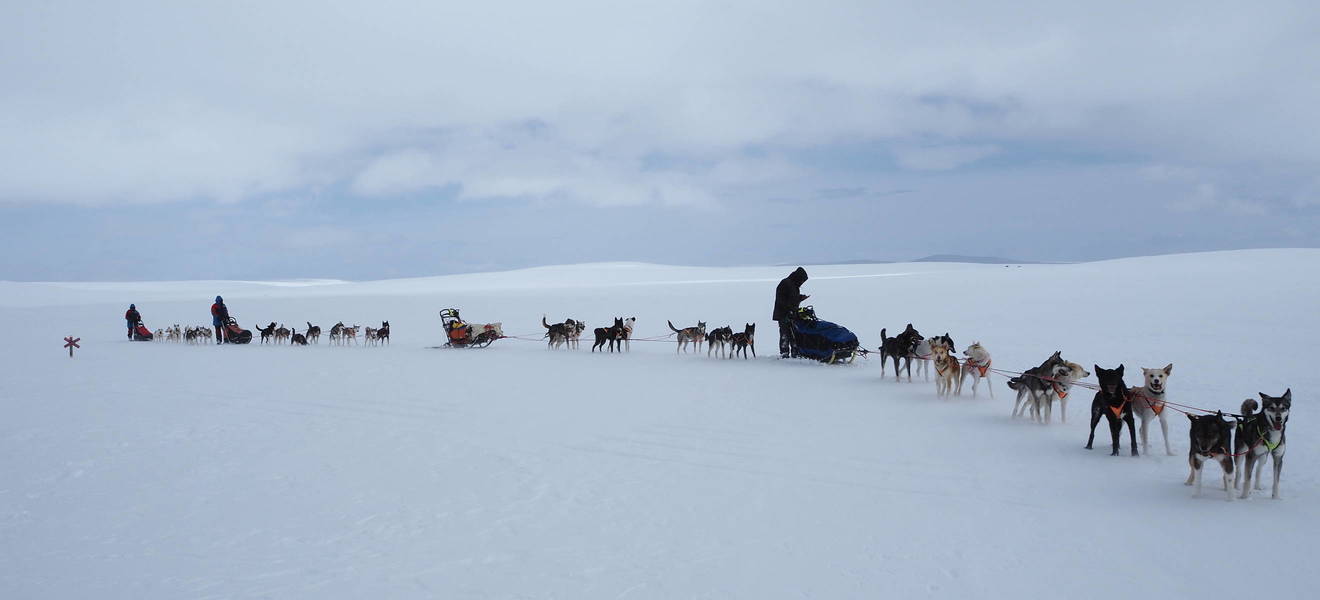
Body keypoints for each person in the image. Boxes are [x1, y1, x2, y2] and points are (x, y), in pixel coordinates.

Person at [772, 267, 809, 358]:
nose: (802, 283)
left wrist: (800, 298)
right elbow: (781, 299)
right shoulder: (785, 283)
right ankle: (784, 353)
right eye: (802, 280)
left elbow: (793, 298)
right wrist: (789, 309)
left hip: (792, 313)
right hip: (783, 314)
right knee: (785, 334)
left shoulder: (794, 285)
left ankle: (795, 353)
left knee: (794, 334)